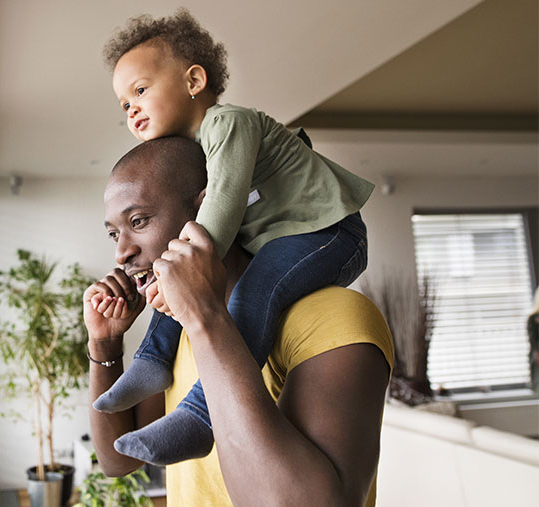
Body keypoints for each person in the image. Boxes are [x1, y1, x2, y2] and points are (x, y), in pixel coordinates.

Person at [93, 9, 376, 466]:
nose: (132, 108)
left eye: (140, 90)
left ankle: (200, 418)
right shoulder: (198, 152)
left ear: (194, 80)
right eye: (125, 104)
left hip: (328, 233)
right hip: (284, 239)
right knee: (177, 270)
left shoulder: (227, 123)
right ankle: (151, 360)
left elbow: (220, 206)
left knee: (243, 288)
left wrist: (177, 277)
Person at [84, 137, 393, 505]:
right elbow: (118, 460)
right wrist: (104, 345)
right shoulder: (181, 328)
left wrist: (205, 320)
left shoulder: (334, 318)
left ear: (208, 210)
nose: (122, 252)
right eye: (114, 234)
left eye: (139, 221)